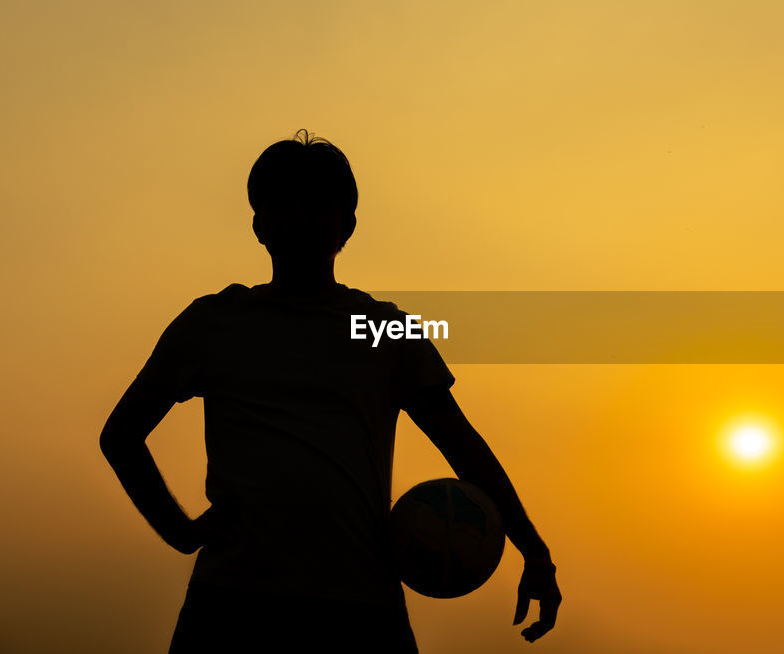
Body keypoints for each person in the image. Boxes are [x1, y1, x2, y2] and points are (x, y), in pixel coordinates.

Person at [99, 130, 561, 652]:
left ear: (348, 225)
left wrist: (534, 550)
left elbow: (463, 446)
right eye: (282, 204)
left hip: (359, 608)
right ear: (258, 224)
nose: (299, 217)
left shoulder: (383, 330)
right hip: (232, 603)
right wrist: (179, 532)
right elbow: (121, 435)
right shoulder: (215, 323)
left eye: (317, 205)